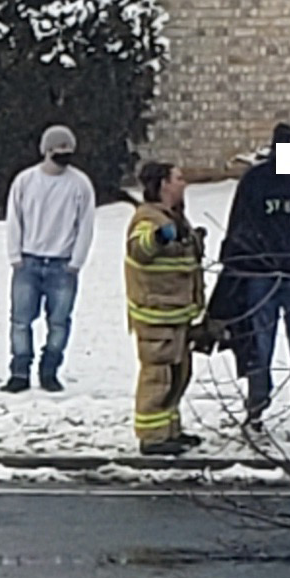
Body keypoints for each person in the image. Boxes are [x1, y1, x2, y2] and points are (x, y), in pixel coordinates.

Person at [219, 123, 290, 444]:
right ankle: (255, 412)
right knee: (260, 347)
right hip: (261, 276)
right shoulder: (256, 181)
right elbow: (240, 225)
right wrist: (247, 264)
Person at [3, 125, 96, 393]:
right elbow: (14, 219)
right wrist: (15, 255)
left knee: (59, 322)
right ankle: (19, 372)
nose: (64, 156)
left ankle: (49, 371)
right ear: (46, 151)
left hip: (62, 265)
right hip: (28, 262)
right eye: (59, 151)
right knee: (20, 320)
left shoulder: (80, 184)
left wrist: (76, 262)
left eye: (68, 150)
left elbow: (85, 225)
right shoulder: (25, 181)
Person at [124, 162, 207, 457]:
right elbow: (139, 248)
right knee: (158, 376)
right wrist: (160, 238)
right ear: (162, 184)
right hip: (156, 316)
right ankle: (152, 436)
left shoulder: (173, 217)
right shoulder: (148, 219)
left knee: (177, 375)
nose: (184, 184)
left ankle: (169, 430)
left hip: (176, 314)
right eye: (178, 179)